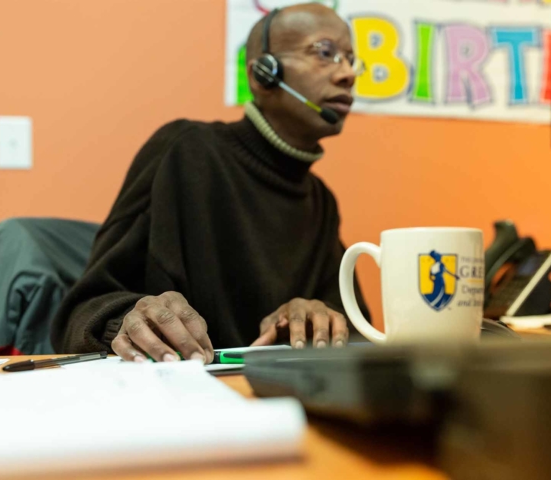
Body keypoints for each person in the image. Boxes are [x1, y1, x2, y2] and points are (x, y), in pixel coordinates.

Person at [50, 3, 371, 363]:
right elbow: (79, 312)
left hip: (267, 402)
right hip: (178, 399)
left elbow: (360, 334)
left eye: (351, 59)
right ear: (262, 74)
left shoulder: (319, 201)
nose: (347, 74)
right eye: (325, 53)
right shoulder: (184, 152)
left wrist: (319, 321)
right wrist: (129, 319)